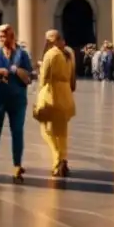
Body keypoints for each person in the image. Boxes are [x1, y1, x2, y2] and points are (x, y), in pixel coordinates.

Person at [0, 24, 33, 182]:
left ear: (12, 36)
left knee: (17, 131)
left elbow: (29, 77)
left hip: (17, 99)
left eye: (5, 36)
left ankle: (17, 164)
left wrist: (17, 71)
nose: (2, 39)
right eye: (0, 36)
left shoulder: (22, 54)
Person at [34, 29, 76, 178]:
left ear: (50, 41)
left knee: (46, 131)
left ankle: (57, 159)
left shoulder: (50, 54)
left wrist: (38, 94)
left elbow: (43, 78)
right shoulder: (68, 55)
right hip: (66, 95)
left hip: (52, 94)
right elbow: (72, 80)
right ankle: (63, 160)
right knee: (62, 132)